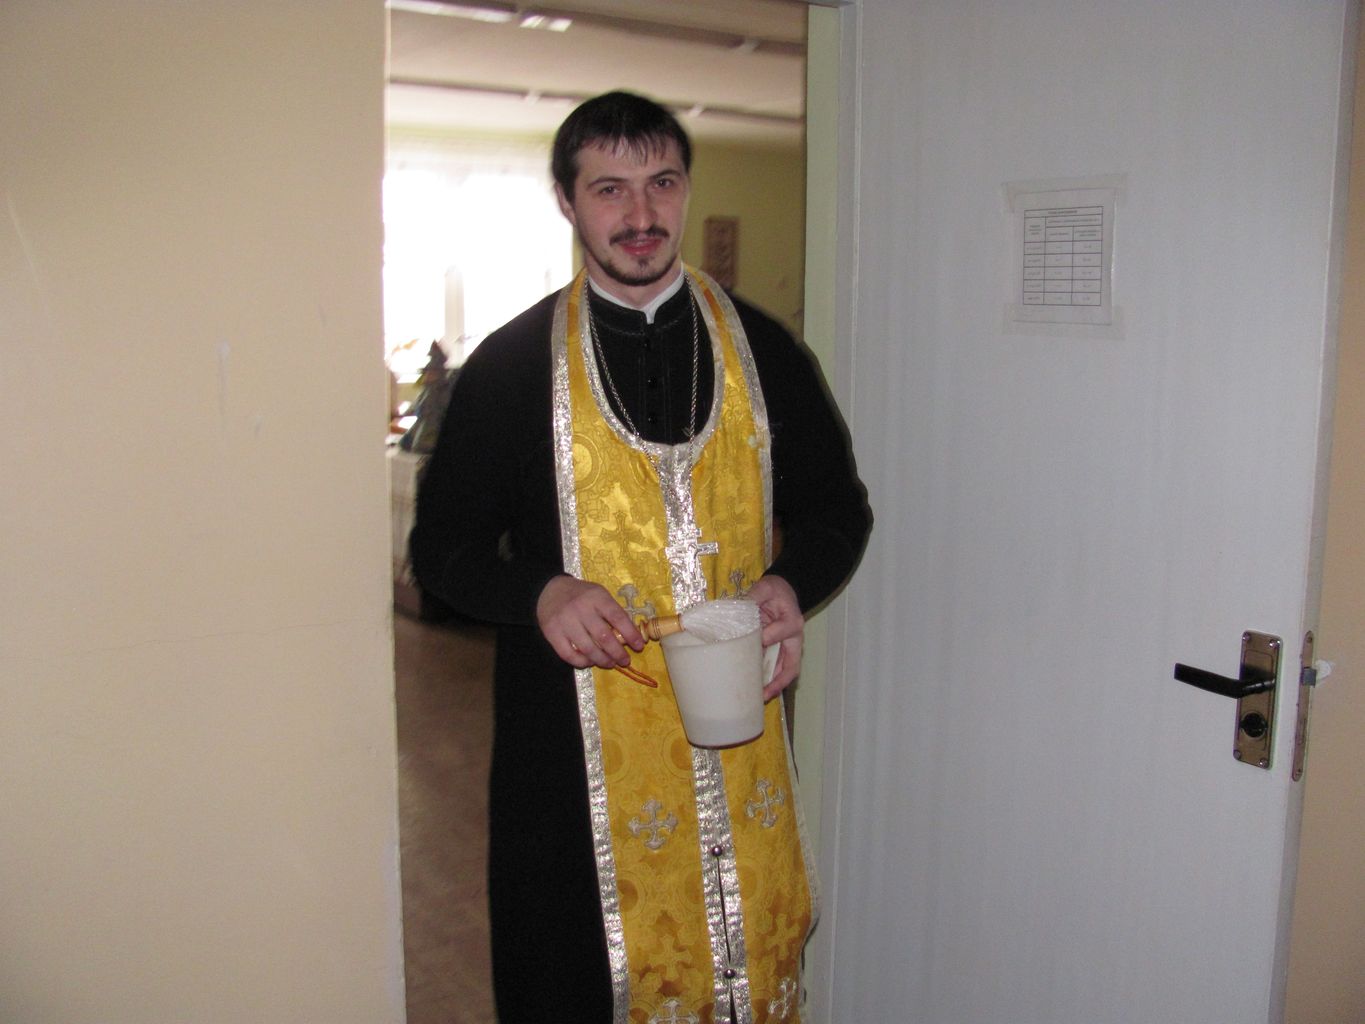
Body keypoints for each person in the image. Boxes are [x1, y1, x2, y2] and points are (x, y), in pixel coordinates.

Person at [410, 90, 870, 1023]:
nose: (641, 213)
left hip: (737, 740)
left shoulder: (763, 351)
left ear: (686, 188)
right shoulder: (510, 367)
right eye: (609, 189)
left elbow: (837, 512)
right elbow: (441, 551)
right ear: (567, 201)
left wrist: (790, 585)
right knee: (579, 977)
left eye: (661, 183)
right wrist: (540, 592)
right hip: (568, 750)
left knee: (741, 963)